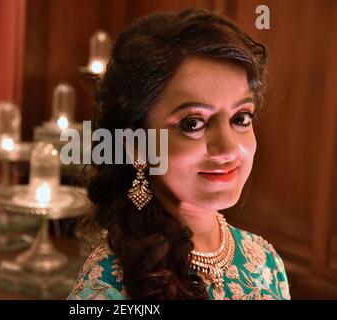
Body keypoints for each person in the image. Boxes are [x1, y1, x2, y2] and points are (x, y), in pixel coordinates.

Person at [67, 7, 290, 300]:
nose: (228, 149)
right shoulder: (110, 287)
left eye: (240, 118)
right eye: (192, 123)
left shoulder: (265, 262)